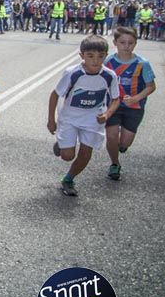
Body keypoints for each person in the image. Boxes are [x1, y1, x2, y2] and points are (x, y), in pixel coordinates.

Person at [48, 35, 120, 196]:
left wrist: (107, 114)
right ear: (82, 55)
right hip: (70, 119)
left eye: (100, 56)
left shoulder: (109, 75)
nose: (95, 60)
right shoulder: (72, 73)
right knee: (67, 156)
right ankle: (62, 145)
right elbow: (55, 95)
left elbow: (116, 99)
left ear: (106, 56)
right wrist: (51, 120)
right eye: (90, 56)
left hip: (93, 120)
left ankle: (68, 179)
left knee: (86, 152)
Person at [104, 26, 156, 180]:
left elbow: (151, 86)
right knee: (111, 137)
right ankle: (115, 164)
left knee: (125, 143)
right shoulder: (108, 62)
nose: (126, 46)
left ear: (135, 44)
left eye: (130, 43)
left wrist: (136, 98)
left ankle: (122, 145)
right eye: (122, 42)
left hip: (134, 107)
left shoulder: (142, 63)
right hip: (113, 106)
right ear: (115, 43)